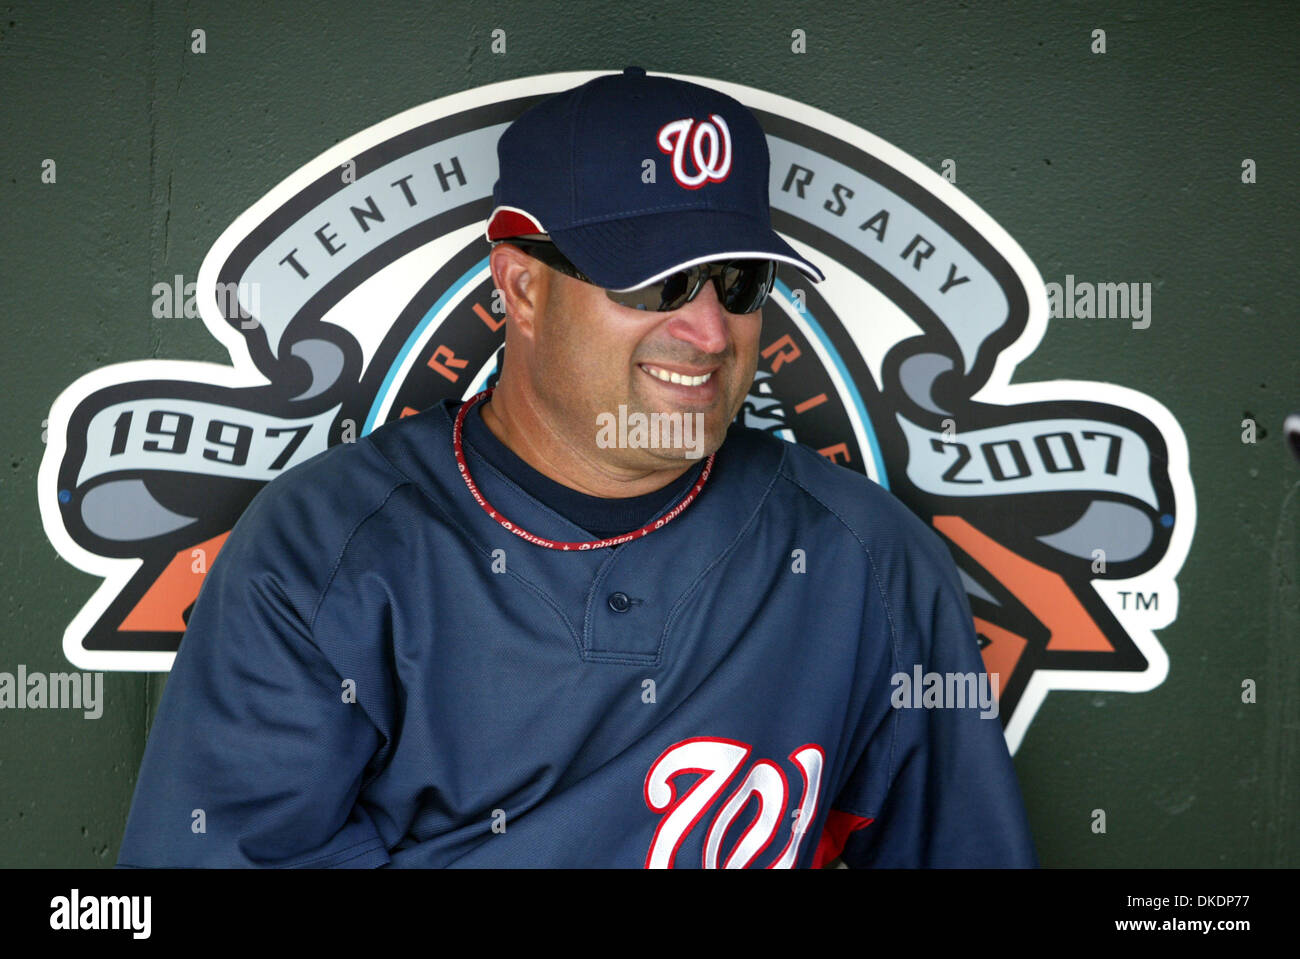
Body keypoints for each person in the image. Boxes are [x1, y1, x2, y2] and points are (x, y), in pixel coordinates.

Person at [117, 66, 1037, 868]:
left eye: (739, 283)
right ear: (521, 284)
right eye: (656, 281)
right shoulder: (326, 549)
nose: (711, 331)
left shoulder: (865, 558)